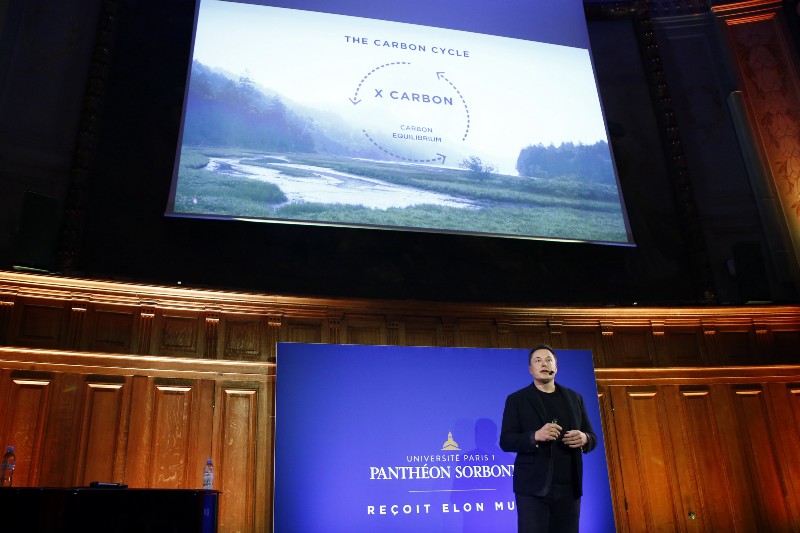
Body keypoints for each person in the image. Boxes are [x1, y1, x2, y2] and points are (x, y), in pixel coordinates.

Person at [500, 344, 597, 533]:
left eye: (548, 360)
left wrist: (584, 438)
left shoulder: (574, 398)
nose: (544, 364)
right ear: (530, 369)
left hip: (570, 489)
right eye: (538, 361)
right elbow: (506, 441)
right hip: (533, 490)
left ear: (556, 367)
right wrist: (535, 436)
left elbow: (592, 437)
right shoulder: (517, 399)